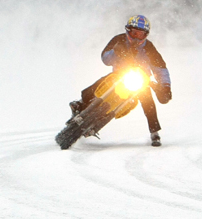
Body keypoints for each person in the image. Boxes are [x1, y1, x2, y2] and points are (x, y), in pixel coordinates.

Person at [70, 15, 172, 147]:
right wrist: (114, 52)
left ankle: (154, 132)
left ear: (145, 35)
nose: (136, 37)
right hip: (120, 75)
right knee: (103, 82)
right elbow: (105, 58)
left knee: (148, 101)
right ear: (128, 31)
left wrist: (165, 86)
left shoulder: (149, 48)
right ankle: (80, 103)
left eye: (140, 35)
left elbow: (161, 68)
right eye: (134, 33)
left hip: (142, 80)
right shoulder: (119, 40)